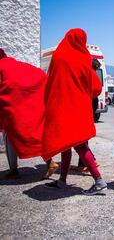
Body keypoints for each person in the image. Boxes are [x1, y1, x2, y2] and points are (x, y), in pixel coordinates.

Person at [42, 29, 107, 195]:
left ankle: (99, 181)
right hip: (79, 109)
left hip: (61, 107)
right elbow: (96, 88)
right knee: (77, 143)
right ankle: (62, 181)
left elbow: (50, 82)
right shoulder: (85, 59)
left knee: (72, 144)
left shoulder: (58, 56)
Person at [0, 48, 58, 180]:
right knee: (36, 135)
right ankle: (50, 162)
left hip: (14, 108)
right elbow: (40, 76)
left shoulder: (1, 67)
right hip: (30, 106)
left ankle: (13, 171)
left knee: (10, 137)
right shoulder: (18, 65)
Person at [76, 58, 101, 173]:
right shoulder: (95, 76)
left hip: (87, 103)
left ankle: (92, 160)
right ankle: (81, 165)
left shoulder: (88, 74)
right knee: (84, 135)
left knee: (81, 136)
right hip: (93, 102)